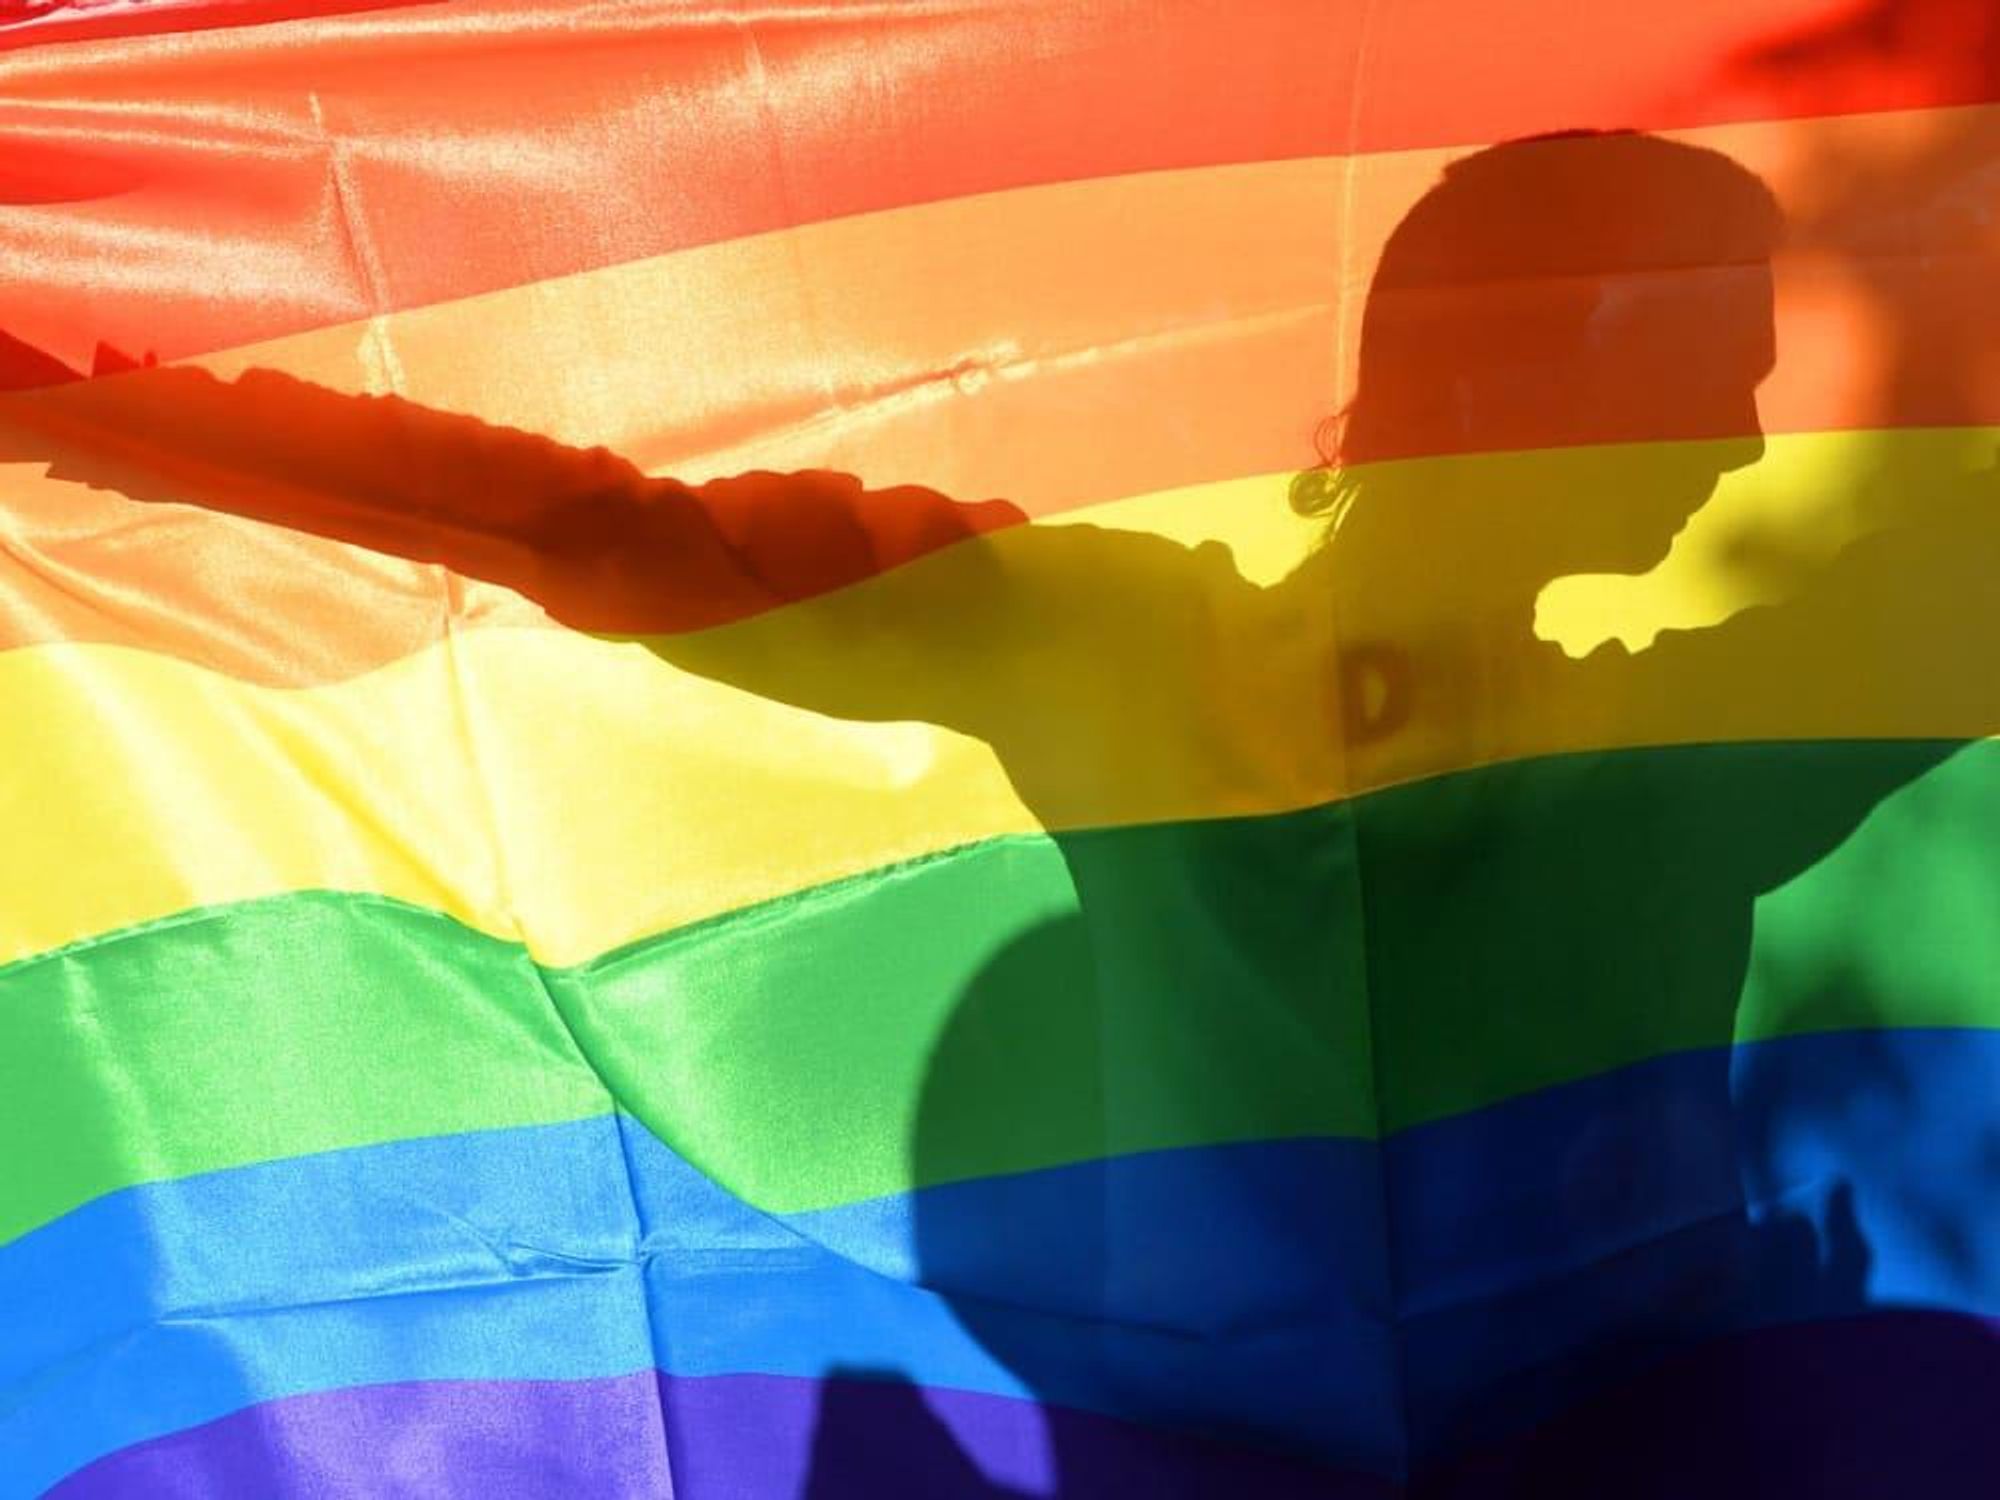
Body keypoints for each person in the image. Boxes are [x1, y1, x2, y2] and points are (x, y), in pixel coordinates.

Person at [4, 128, 1993, 1492]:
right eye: (1702, 365)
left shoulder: (1620, 735)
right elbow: (602, 536)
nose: (1741, 437)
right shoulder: (1180, 663)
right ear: (1547, 357)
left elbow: (598, 535)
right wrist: (99, 413)